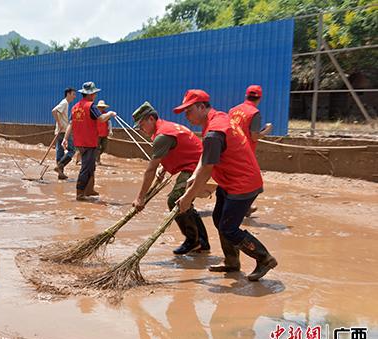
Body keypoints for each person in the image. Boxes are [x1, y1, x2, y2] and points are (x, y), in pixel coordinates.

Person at [174, 89, 277, 281]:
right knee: (218, 218)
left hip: (242, 184)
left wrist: (188, 198)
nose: (186, 116)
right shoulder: (217, 118)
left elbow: (207, 170)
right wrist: (194, 175)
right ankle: (231, 262)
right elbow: (205, 159)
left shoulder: (215, 131)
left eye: (188, 111)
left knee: (229, 228)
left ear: (201, 107)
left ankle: (264, 258)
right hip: (230, 180)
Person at [131, 101, 210, 255]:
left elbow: (150, 170)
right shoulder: (165, 128)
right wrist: (165, 167)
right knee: (184, 202)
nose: (141, 130)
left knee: (176, 199)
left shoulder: (162, 136)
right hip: (198, 162)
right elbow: (177, 149)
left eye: (141, 125)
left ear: (151, 119)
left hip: (199, 165)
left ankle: (192, 241)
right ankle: (202, 242)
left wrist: (140, 198)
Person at [63, 82, 115, 201]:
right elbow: (101, 119)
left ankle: (89, 189)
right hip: (89, 142)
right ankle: (80, 193)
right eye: (95, 93)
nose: (95, 95)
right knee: (86, 168)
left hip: (79, 141)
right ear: (91, 94)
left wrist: (66, 139)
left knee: (91, 166)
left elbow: (70, 124)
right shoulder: (91, 106)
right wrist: (110, 114)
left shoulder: (75, 107)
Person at [229, 85, 272, 217]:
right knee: (254, 183)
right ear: (259, 98)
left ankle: (243, 209)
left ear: (246, 96)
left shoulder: (232, 110)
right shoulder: (254, 113)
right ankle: (240, 210)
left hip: (230, 150)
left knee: (234, 180)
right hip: (245, 153)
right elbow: (254, 136)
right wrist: (267, 131)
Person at [52, 87, 76, 180]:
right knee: (72, 150)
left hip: (60, 131)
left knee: (60, 152)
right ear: (68, 94)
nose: (74, 96)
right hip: (63, 130)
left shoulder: (65, 103)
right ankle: (60, 166)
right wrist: (59, 123)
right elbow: (54, 111)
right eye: (73, 94)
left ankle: (60, 174)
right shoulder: (64, 102)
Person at [95, 100, 113, 165]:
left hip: (104, 133)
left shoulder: (106, 114)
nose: (101, 108)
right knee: (97, 148)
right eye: (100, 107)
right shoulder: (95, 114)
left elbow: (109, 122)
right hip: (97, 134)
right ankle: (97, 160)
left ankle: (95, 157)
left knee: (104, 147)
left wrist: (110, 130)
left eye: (102, 107)